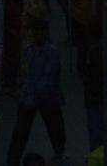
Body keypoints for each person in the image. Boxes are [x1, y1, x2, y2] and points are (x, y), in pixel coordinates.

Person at [7, 18, 67, 165]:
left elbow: (50, 76)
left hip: (46, 96)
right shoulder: (29, 50)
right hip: (32, 95)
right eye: (36, 32)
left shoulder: (52, 52)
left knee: (55, 128)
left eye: (41, 32)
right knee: (21, 131)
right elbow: (24, 73)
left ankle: (59, 152)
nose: (38, 35)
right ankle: (12, 159)